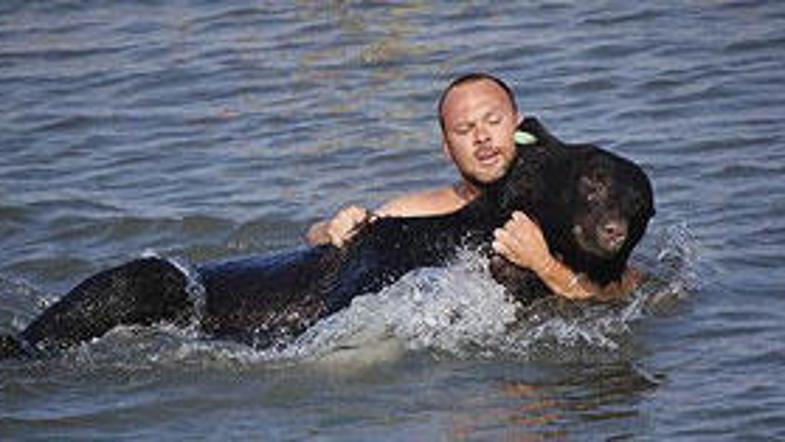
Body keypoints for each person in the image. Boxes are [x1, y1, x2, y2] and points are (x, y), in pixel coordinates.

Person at [306, 73, 640, 300]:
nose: (482, 137)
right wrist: (332, 227)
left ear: (518, 127)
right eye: (465, 130)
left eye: (493, 122)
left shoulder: (558, 206)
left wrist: (544, 265)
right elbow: (318, 239)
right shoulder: (419, 210)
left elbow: (624, 295)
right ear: (447, 148)